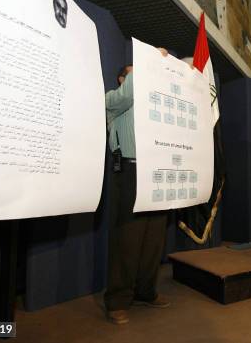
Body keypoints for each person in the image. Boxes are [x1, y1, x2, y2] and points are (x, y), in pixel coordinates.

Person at [104, 51, 171, 325]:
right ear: (122, 79)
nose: (137, 77)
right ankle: (118, 300)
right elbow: (126, 95)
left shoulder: (152, 102)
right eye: (132, 73)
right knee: (127, 238)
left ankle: (146, 291)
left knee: (154, 236)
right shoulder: (113, 99)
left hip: (155, 169)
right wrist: (148, 62)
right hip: (129, 170)